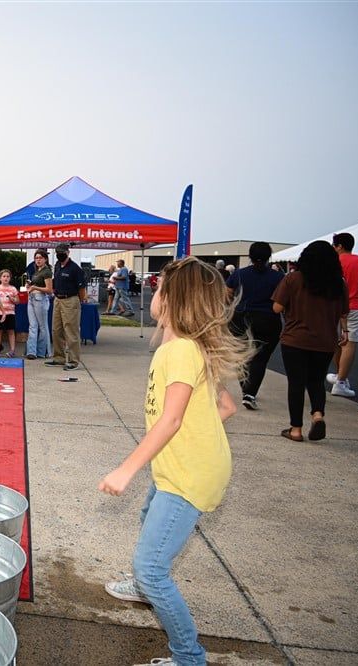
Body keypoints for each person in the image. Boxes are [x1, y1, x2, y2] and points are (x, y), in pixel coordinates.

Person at [100, 257, 248, 666]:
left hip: (187, 476)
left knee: (152, 567)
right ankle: (145, 586)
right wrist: (195, 438)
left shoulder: (180, 351)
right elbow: (226, 407)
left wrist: (126, 469)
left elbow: (171, 419)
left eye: (160, 288)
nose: (154, 293)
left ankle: (189, 657)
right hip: (181, 466)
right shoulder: (184, 346)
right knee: (149, 518)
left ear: (172, 301)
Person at [272, 240, 349, 441]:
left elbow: (277, 308)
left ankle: (295, 430)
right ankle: (317, 415)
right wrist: (346, 330)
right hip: (325, 341)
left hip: (295, 339)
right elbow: (343, 312)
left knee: (296, 383)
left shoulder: (293, 279)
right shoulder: (338, 283)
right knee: (316, 381)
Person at [226, 242, 284, 410]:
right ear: (269, 257)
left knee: (241, 355)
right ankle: (250, 393)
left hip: (240, 318)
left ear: (249, 256)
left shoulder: (239, 274)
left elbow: (227, 293)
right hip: (268, 319)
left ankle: (246, 388)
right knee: (261, 358)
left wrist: (233, 305)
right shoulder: (277, 277)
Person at [326, 232, 358, 398]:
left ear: (339, 246)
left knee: (337, 342)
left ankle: (340, 376)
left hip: (334, 306)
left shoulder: (332, 263)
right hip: (355, 306)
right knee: (350, 343)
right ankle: (341, 381)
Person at [46, 243, 86, 371]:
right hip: (58, 299)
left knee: (71, 330)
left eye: (62, 252)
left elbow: (81, 289)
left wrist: (79, 301)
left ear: (68, 253)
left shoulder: (75, 269)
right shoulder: (57, 265)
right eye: (58, 252)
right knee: (56, 330)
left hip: (70, 299)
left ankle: (73, 361)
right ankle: (59, 357)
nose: (60, 254)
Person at [25, 251, 53, 360]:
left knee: (42, 326)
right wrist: (31, 285)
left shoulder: (47, 272)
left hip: (40, 298)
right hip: (32, 297)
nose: (38, 260)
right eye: (36, 258)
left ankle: (43, 351)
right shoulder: (37, 271)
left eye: (40, 258)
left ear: (45, 259)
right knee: (33, 326)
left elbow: (49, 290)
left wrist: (35, 288)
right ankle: (31, 351)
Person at [0, 269, 18, 357]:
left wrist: (13, 299)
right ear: (0, 278)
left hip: (10, 313)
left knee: (11, 331)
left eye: (8, 276)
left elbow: (17, 301)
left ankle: (12, 350)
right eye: (4, 276)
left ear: (10, 278)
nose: (6, 278)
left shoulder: (13, 289)